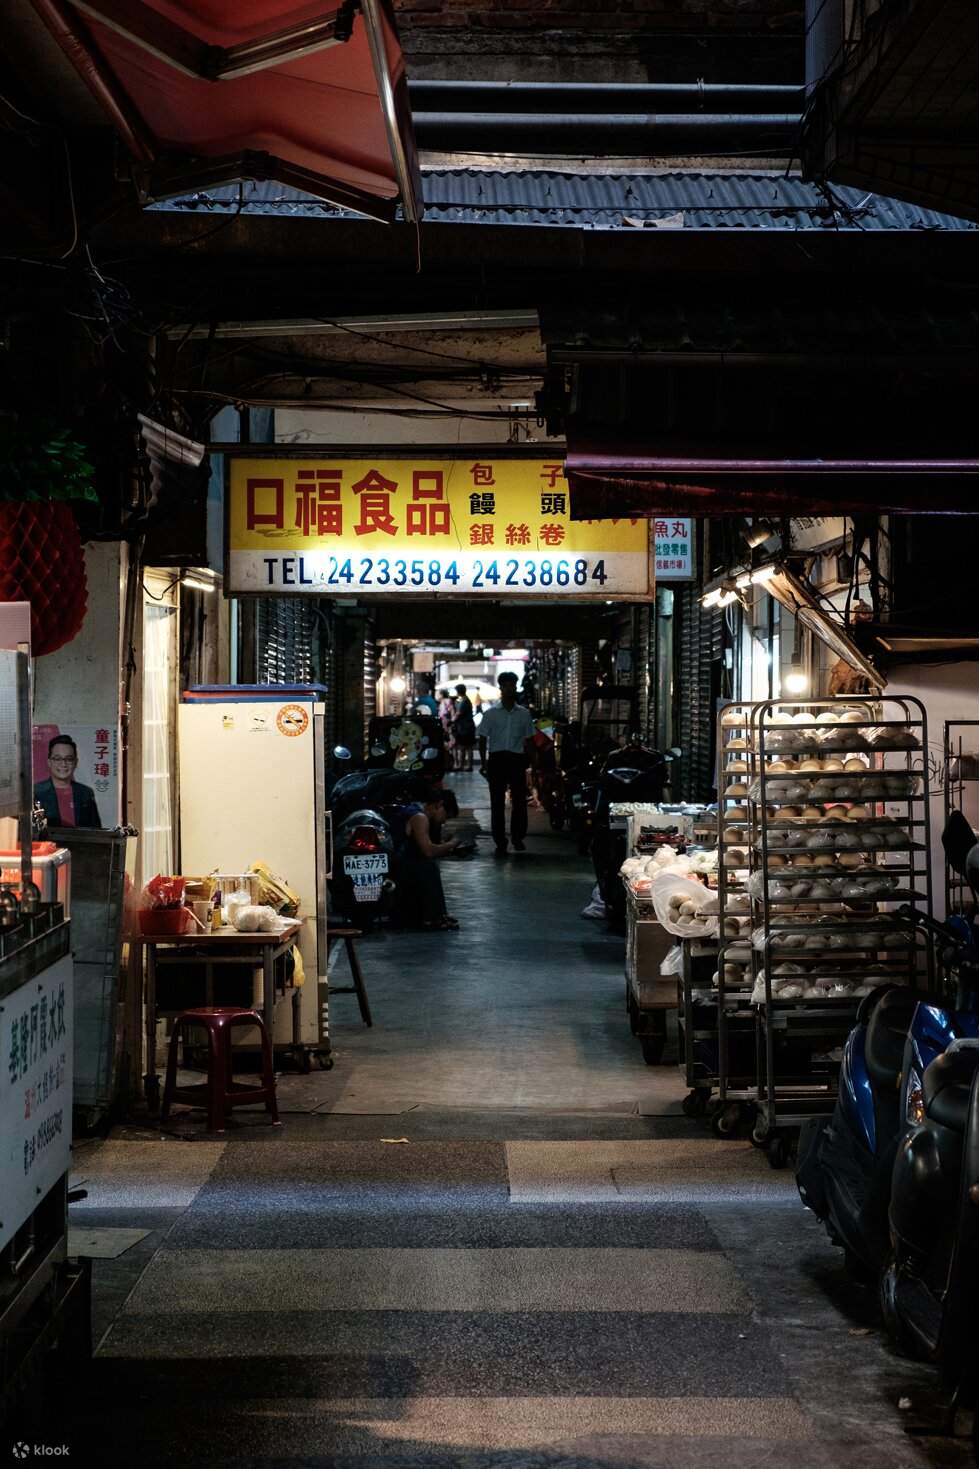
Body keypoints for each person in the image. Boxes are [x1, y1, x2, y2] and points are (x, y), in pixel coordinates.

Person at [478, 672, 535, 856]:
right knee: (497, 803)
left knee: (519, 801)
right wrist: (484, 763)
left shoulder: (524, 714)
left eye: (512, 685)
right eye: (506, 685)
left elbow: (529, 740)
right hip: (497, 760)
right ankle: (500, 840)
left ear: (516, 687)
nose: (510, 689)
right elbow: (482, 738)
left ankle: (518, 837)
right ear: (501, 688)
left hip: (516, 760)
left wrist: (531, 762)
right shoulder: (491, 713)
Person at [394, 788, 462, 930]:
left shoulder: (414, 809)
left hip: (400, 860)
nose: (444, 821)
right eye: (446, 816)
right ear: (439, 805)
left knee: (428, 865)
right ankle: (433, 918)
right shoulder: (420, 817)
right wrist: (452, 844)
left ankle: (437, 914)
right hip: (400, 865)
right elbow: (428, 851)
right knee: (428, 867)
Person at [34, 734, 102, 828]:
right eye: (57, 758)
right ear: (49, 762)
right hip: (48, 842)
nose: (63, 764)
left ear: (75, 762)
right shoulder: (36, 792)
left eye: (69, 759)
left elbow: (96, 830)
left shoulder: (85, 793)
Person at [452, 683, 476, 772]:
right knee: (465, 747)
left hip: (466, 727)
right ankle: (464, 765)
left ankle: (466, 765)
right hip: (465, 726)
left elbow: (459, 713)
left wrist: (452, 721)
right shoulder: (463, 700)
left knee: (466, 747)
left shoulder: (464, 701)